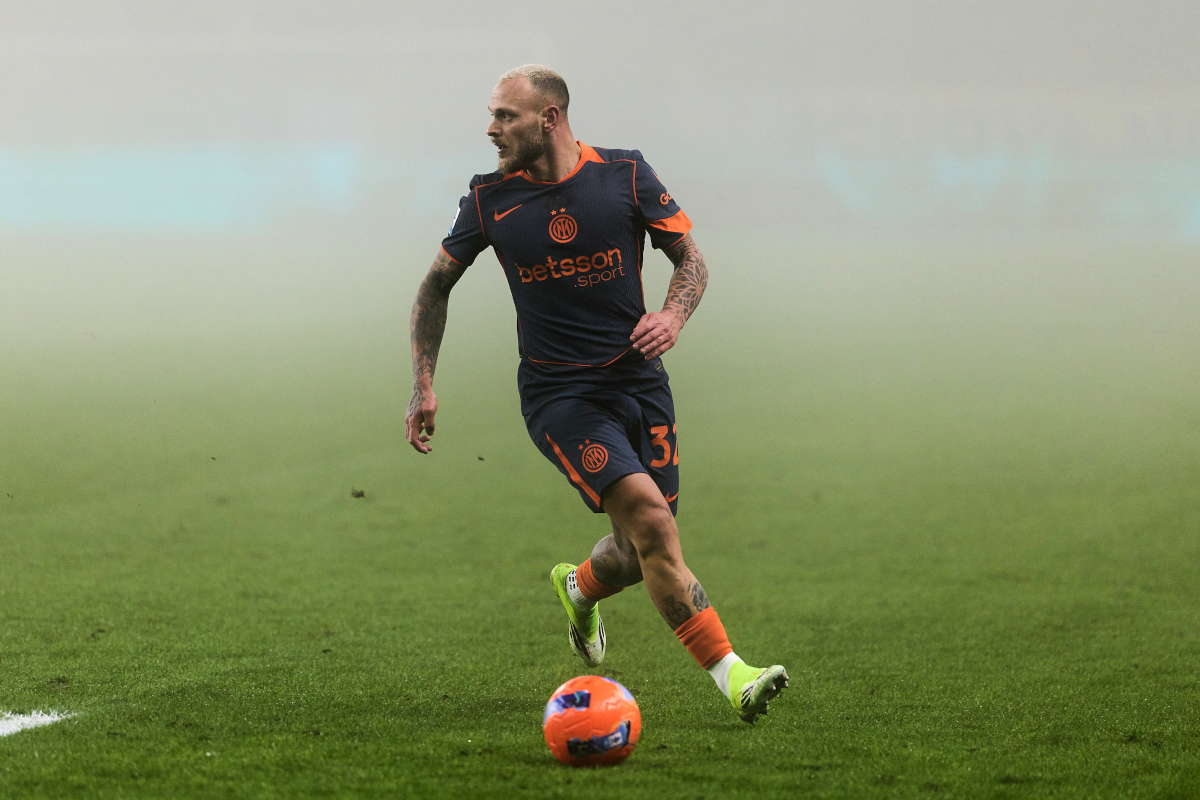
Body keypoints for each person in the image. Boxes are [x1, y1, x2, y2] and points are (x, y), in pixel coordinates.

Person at [405, 65, 787, 723]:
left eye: (505, 116)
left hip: (640, 385)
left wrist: (672, 316)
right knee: (652, 522)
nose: (490, 129)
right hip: (561, 396)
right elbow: (435, 286)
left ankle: (579, 586)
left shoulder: (625, 175)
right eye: (492, 115)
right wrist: (423, 384)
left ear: (549, 117)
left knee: (640, 552)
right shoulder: (489, 200)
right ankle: (734, 676)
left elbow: (690, 259)